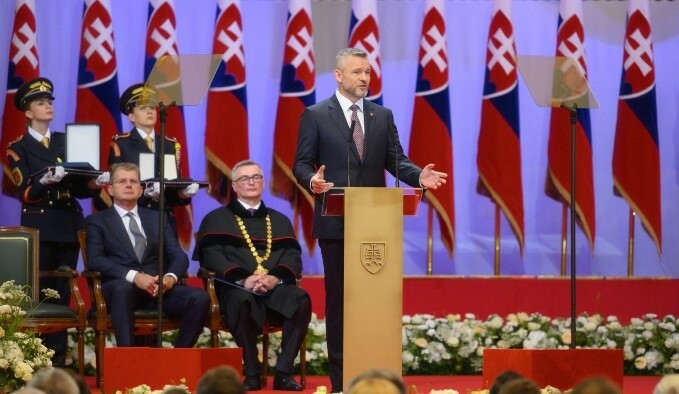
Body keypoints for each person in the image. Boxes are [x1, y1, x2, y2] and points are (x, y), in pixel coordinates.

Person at [292, 47, 448, 392]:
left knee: (375, 304)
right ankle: (340, 383)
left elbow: (396, 160)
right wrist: (312, 182)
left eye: (367, 73)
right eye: (357, 72)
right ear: (338, 75)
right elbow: (301, 163)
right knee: (340, 306)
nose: (364, 78)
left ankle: (379, 380)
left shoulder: (382, 115)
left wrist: (418, 176)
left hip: (376, 226)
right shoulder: (316, 115)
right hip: (335, 225)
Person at [5, 77, 109, 366]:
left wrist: (92, 183)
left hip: (67, 223)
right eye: (40, 103)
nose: (48, 106)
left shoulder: (67, 140)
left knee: (62, 296)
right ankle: (34, 363)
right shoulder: (18, 148)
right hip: (40, 226)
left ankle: (58, 366)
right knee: (37, 297)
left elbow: (77, 185)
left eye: (50, 102)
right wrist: (45, 180)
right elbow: (24, 191)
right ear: (27, 112)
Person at [194, 160, 311, 392]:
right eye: (244, 179)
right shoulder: (216, 219)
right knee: (241, 300)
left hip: (273, 288)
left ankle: (284, 373)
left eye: (256, 177)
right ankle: (253, 373)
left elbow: (291, 257)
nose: (251, 182)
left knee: (301, 299)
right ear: (235, 186)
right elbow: (213, 258)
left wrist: (274, 278)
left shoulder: (279, 220)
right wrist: (245, 279)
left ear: (263, 183)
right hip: (236, 288)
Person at [85, 162, 209, 347]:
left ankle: (178, 359)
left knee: (200, 298)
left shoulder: (157, 217)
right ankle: (129, 361)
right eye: (122, 181)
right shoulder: (97, 221)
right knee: (122, 289)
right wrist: (135, 277)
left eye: (133, 181)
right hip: (120, 288)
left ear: (141, 189)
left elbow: (178, 256)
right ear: (110, 189)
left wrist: (169, 278)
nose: (128, 185)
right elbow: (96, 260)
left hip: (157, 289)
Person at [108, 83, 199, 233]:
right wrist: (143, 193)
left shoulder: (170, 144)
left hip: (165, 221)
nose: (150, 111)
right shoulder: (121, 144)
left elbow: (174, 187)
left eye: (152, 107)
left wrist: (183, 194)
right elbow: (117, 187)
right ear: (131, 116)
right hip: (136, 218)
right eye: (143, 108)